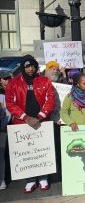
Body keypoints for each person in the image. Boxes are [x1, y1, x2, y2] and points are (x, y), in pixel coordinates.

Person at [5, 55, 55, 193]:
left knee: (42, 151)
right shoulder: (13, 83)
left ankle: (43, 178)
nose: (31, 69)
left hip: (41, 122)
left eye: (32, 66)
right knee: (27, 153)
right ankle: (30, 180)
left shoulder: (44, 81)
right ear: (23, 67)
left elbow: (50, 100)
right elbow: (10, 103)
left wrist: (40, 116)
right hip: (22, 123)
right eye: (27, 66)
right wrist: (25, 117)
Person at [0, 70, 11, 190]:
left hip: (7, 127)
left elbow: (8, 114)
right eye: (4, 79)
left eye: (8, 78)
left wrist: (4, 124)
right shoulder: (1, 94)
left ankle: (4, 177)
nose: (6, 81)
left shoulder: (13, 90)